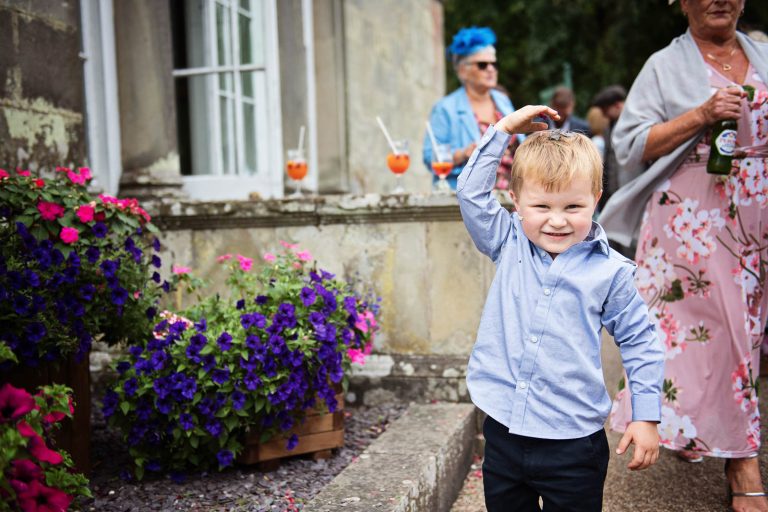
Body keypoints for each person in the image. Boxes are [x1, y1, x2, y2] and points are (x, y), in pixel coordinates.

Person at [600, 1, 768, 510]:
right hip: (691, 216)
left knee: (744, 331)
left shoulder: (762, 54)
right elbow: (630, 144)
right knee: (726, 331)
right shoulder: (662, 66)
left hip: (756, 212)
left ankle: (698, 429)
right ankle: (743, 466)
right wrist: (700, 115)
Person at [457, 104, 664, 512]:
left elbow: (641, 343)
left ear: (595, 199)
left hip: (574, 445)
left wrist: (646, 416)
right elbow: (470, 193)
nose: (557, 221)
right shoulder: (507, 240)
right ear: (515, 201)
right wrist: (503, 130)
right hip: (503, 430)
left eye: (572, 207)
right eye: (541, 207)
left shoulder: (611, 272)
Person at [423, 27, 522, 190]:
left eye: (494, 64)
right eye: (482, 65)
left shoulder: (503, 102)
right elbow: (429, 156)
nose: (491, 69)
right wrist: (463, 154)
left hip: (513, 197)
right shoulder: (445, 108)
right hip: (472, 200)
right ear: (463, 71)